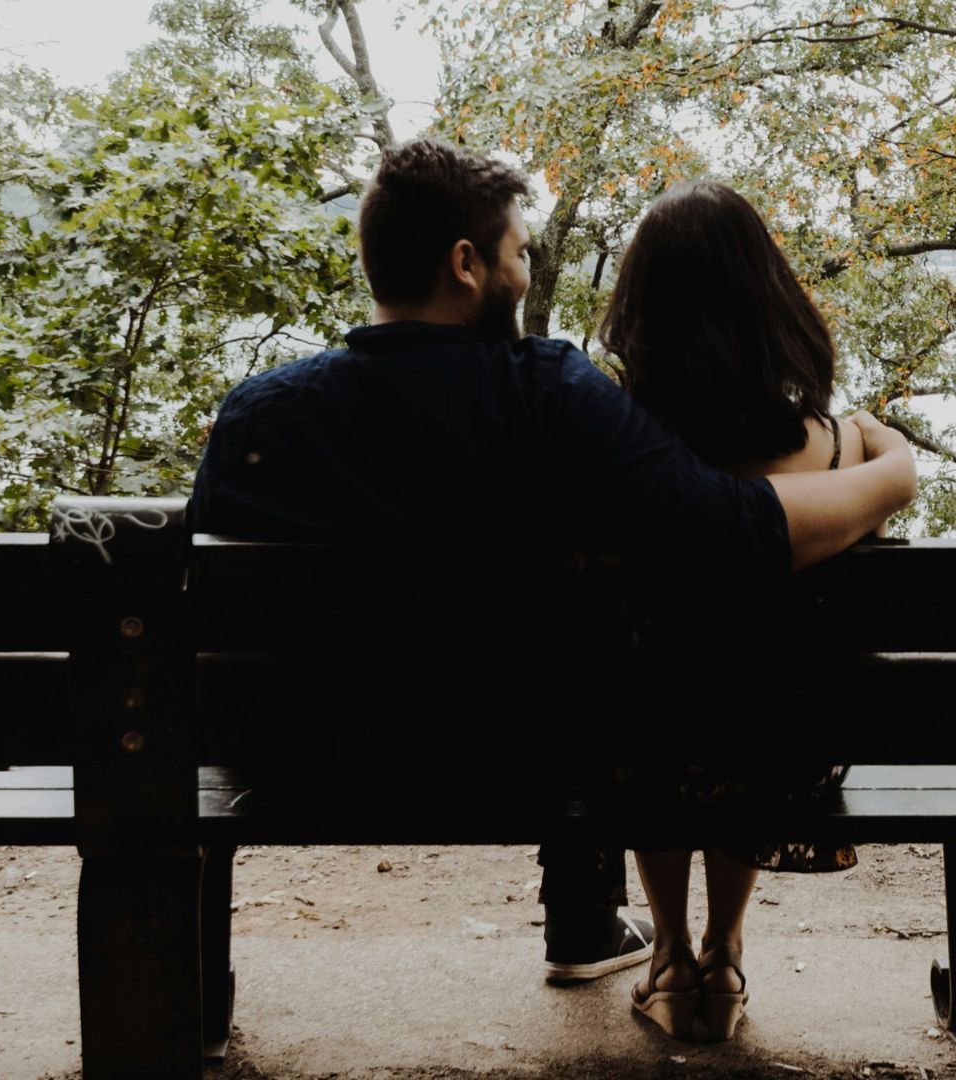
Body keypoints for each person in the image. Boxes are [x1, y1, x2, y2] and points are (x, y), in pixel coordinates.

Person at [189, 140, 914, 985]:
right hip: (504, 765)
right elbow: (729, 533)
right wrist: (890, 475)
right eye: (519, 252)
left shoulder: (255, 417)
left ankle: (195, 990)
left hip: (282, 763)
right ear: (466, 265)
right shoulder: (547, 396)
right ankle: (589, 919)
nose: (526, 271)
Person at [596, 178, 866, 1041]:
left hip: (636, 746)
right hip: (781, 751)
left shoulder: (617, 447)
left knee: (650, 706)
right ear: (767, 300)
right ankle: (725, 951)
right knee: (751, 701)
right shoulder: (829, 448)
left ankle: (669, 955)